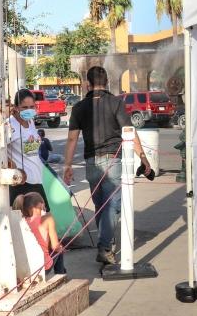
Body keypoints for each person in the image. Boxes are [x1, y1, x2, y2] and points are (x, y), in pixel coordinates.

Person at [64, 66, 151, 265]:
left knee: (100, 205)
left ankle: (106, 243)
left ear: (87, 84)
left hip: (91, 162)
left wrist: (67, 165)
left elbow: (71, 140)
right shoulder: (116, 103)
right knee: (111, 205)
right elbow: (129, 131)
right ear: (107, 83)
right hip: (112, 160)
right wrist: (143, 157)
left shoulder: (79, 107)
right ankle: (104, 247)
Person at [7, 89, 50, 209]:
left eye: (31, 106)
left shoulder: (30, 121)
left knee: (42, 219)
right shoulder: (9, 125)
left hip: (37, 178)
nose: (28, 110)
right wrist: (11, 163)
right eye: (24, 107)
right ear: (16, 107)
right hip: (22, 182)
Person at [13, 192, 65, 275]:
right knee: (59, 250)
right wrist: (61, 248)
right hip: (42, 268)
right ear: (40, 205)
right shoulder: (48, 218)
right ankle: (61, 276)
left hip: (25, 269)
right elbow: (55, 246)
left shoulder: (21, 222)